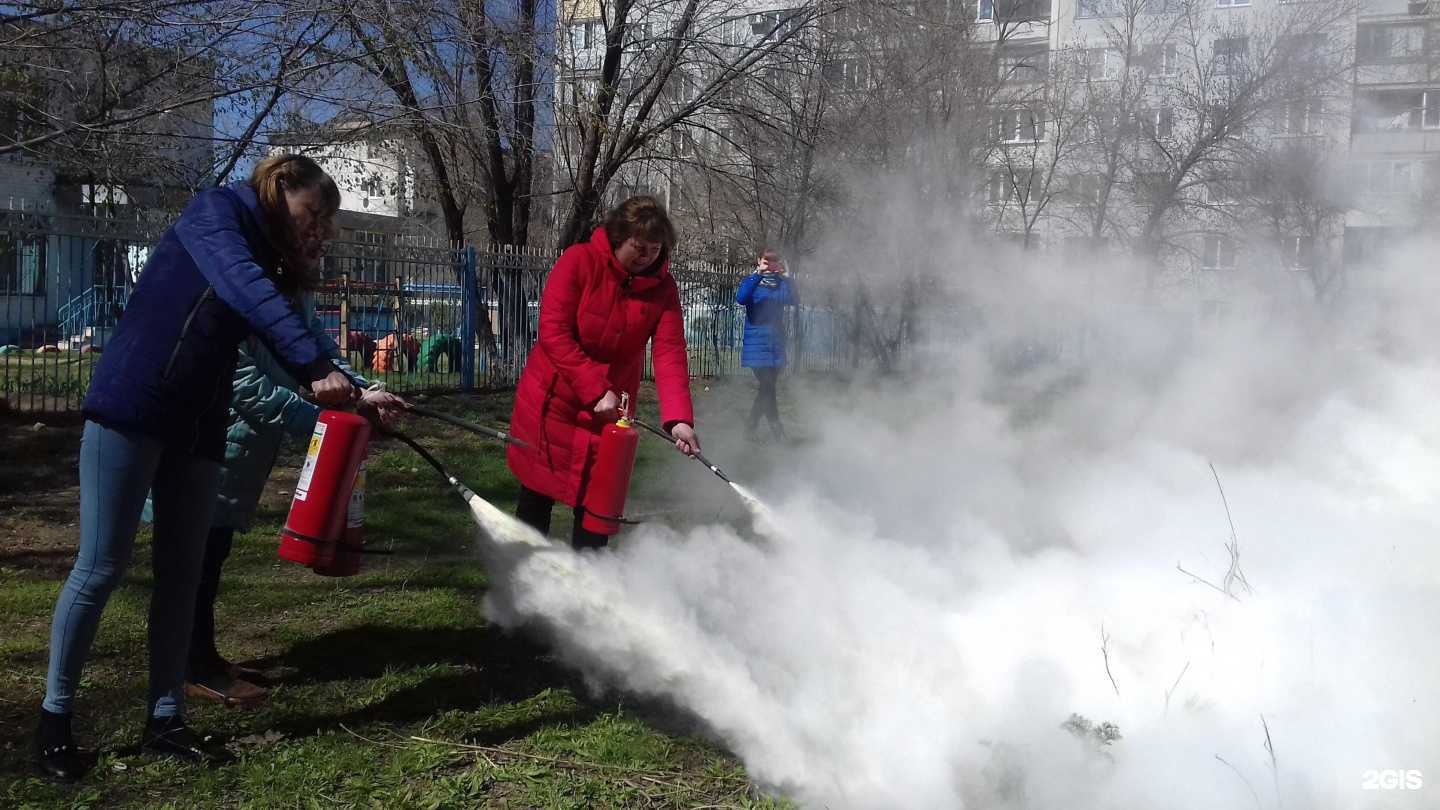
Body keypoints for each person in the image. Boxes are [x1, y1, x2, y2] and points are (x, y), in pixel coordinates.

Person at [35, 154, 356, 782]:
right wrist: (315, 370)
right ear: (282, 184)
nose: (312, 227)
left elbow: (290, 325)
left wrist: (357, 386)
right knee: (100, 567)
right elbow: (249, 294)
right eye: (310, 212)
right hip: (133, 406)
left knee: (181, 577)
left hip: (200, 424)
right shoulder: (215, 216)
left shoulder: (269, 255)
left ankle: (166, 719)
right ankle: (54, 720)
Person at [145, 307, 406, 709]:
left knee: (211, 558)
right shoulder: (233, 300)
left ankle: (204, 656)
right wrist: (331, 418)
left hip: (234, 457)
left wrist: (360, 392)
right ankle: (190, 670)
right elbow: (251, 391)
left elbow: (318, 355)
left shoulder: (287, 298)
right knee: (190, 566)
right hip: (200, 448)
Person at [506, 196, 700, 550]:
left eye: (654, 250)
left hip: (612, 416)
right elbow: (553, 333)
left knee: (598, 508)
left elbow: (670, 352)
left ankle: (589, 588)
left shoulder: (664, 289)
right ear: (616, 238)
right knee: (536, 500)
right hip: (553, 406)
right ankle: (524, 584)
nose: (646, 258)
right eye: (638, 248)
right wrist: (595, 389)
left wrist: (679, 420)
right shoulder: (577, 262)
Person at [736, 248, 799, 441]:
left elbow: (793, 300)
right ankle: (774, 429)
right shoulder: (751, 282)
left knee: (768, 389)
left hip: (776, 346)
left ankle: (754, 429)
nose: (770, 264)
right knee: (767, 386)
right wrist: (759, 274)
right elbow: (741, 298)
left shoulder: (780, 285)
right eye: (767, 260)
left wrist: (787, 278)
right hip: (756, 347)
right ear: (759, 260)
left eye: (774, 260)